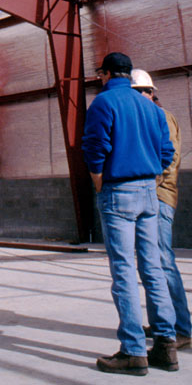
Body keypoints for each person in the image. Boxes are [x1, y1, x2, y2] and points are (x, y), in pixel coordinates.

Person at [82, 52, 179, 375]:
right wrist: (151, 179)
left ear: (106, 74)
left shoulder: (103, 103)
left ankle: (133, 351)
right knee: (153, 268)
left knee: (123, 271)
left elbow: (94, 146)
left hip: (118, 192)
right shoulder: (152, 108)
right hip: (148, 193)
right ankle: (166, 345)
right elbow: (167, 151)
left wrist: (98, 180)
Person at [131, 68, 191, 349]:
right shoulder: (148, 117)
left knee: (163, 262)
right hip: (151, 196)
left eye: (141, 92)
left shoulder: (162, 117)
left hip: (159, 197)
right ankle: (161, 323)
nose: (137, 98)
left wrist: (148, 187)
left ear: (151, 93)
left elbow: (168, 160)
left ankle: (182, 328)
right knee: (150, 263)